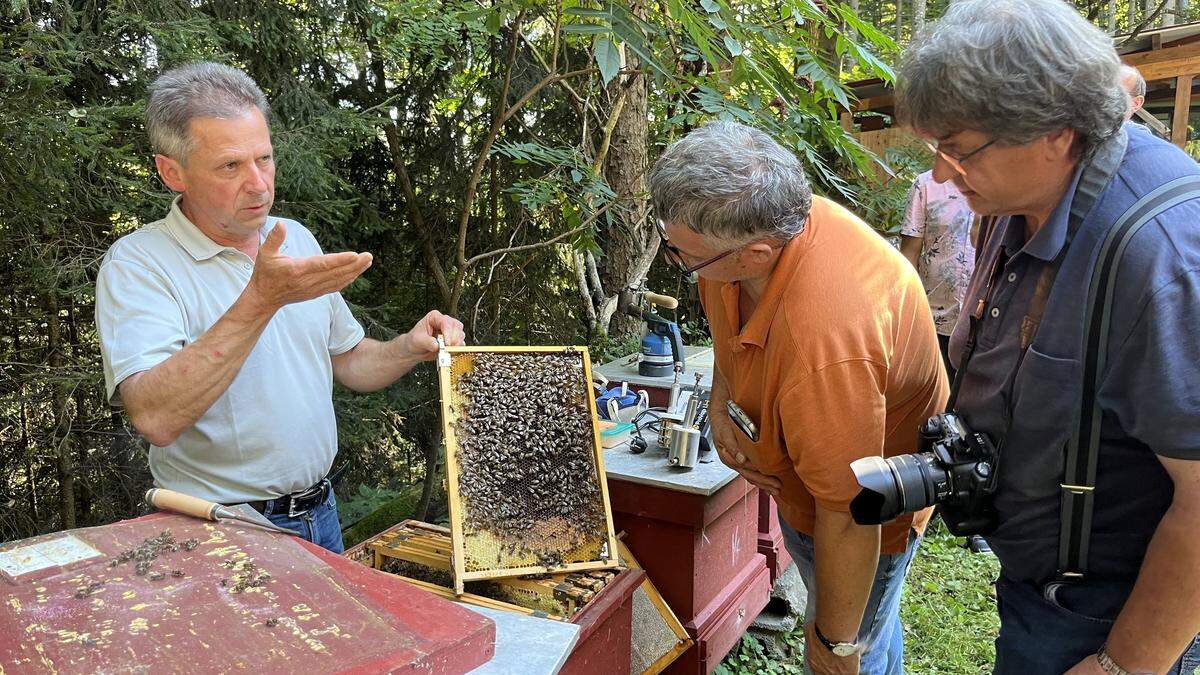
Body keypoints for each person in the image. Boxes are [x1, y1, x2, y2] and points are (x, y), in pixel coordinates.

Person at [898, 1, 1200, 672]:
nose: (943, 175)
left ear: (1059, 133)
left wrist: (1124, 664)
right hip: (1039, 590)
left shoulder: (1160, 257)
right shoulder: (1024, 192)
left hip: (1103, 620)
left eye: (958, 149)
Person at [95, 63, 465, 553]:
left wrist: (407, 348)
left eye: (264, 159)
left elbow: (350, 361)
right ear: (173, 172)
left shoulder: (292, 237)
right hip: (220, 530)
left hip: (320, 515)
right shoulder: (139, 263)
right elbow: (156, 418)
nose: (259, 185)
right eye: (230, 166)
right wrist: (261, 299)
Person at [648, 121, 947, 675]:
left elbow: (852, 515)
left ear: (756, 254)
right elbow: (728, 335)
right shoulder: (740, 240)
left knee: (855, 646)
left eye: (683, 255)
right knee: (874, 627)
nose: (679, 263)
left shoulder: (827, 344)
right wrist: (722, 405)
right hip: (811, 492)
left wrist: (834, 645)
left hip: (860, 519)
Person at [899, 170, 976, 380]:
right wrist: (908, 314)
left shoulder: (1002, 184)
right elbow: (909, 253)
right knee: (935, 398)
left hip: (982, 322)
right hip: (934, 318)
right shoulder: (925, 185)